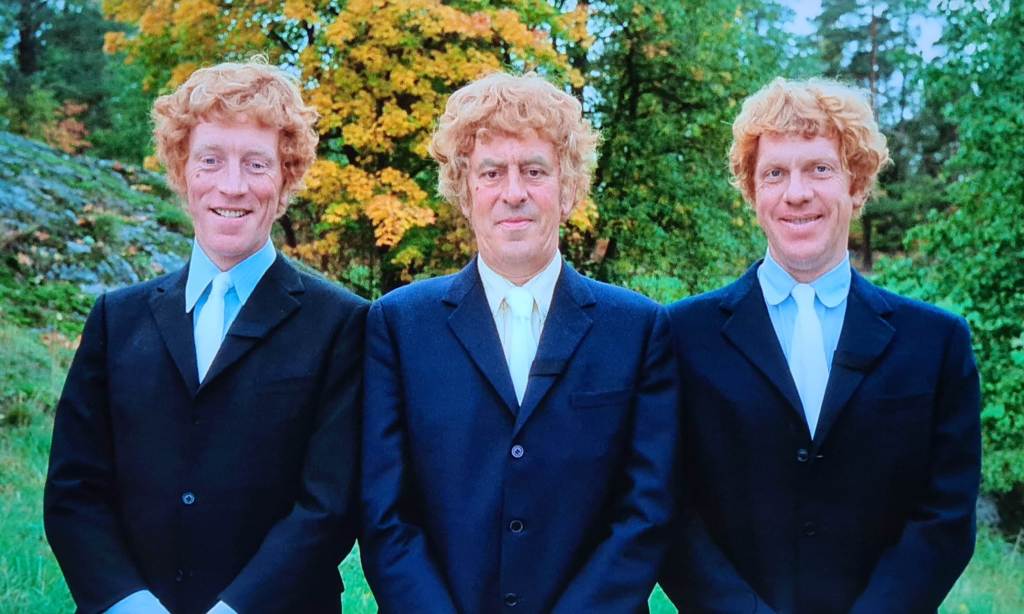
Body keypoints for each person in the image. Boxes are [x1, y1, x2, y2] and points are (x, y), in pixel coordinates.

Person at [43, 58, 367, 614]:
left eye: (256, 164)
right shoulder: (116, 319)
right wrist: (130, 605)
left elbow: (328, 505)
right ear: (182, 171)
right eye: (210, 160)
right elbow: (75, 490)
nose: (232, 186)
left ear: (286, 177)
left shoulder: (343, 323)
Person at [659, 77, 981, 613]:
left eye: (819, 169)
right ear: (752, 192)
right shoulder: (679, 336)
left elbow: (945, 516)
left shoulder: (936, 343)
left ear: (857, 185)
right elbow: (667, 506)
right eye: (775, 173)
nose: (796, 193)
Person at [359, 72, 678, 613]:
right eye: (491, 172)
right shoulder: (398, 325)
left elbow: (646, 511)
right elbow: (385, 512)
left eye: (534, 171)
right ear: (464, 191)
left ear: (568, 188)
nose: (513, 193)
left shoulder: (638, 328)